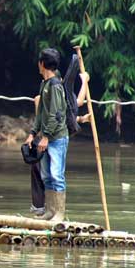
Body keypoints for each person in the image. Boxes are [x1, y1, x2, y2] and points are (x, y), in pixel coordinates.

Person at [29, 70, 91, 216]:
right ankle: (47, 210)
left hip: (47, 140)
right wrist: (85, 82)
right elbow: (65, 112)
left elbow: (62, 116)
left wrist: (81, 119)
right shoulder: (44, 98)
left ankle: (51, 211)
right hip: (44, 141)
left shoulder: (53, 97)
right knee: (46, 176)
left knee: (50, 176)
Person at [24, 48, 70, 222]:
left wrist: (46, 137)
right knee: (46, 175)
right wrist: (32, 133)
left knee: (57, 174)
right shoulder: (44, 84)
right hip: (46, 138)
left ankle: (59, 213)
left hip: (56, 138)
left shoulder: (56, 86)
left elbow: (56, 114)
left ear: (42, 64)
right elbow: (41, 113)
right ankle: (50, 211)